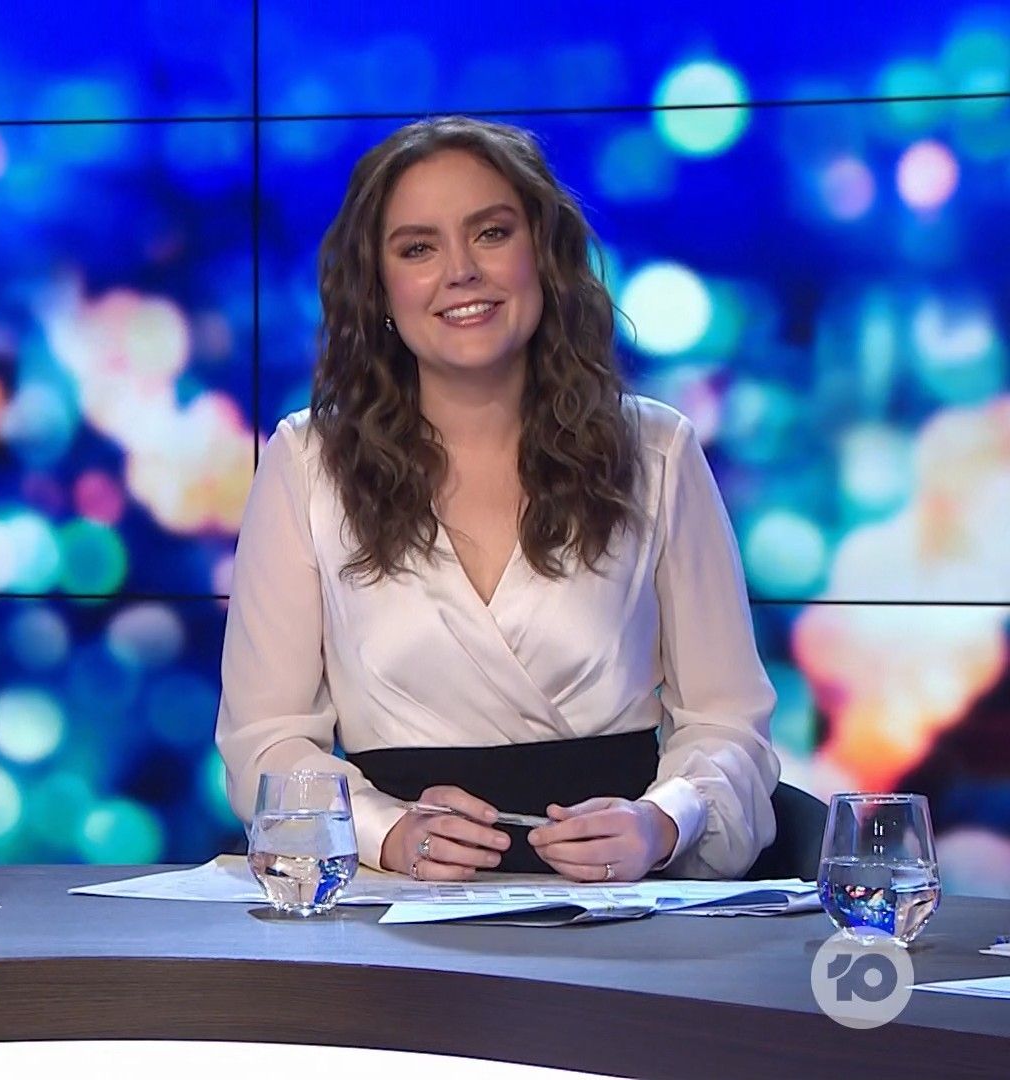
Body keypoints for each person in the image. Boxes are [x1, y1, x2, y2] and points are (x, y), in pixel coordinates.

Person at [216, 117, 778, 883]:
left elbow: (729, 724)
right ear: (379, 288)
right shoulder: (307, 464)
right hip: (397, 906)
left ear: (542, 255)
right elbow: (266, 739)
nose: (461, 272)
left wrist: (660, 823)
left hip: (618, 903)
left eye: (490, 234)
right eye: (418, 248)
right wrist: (386, 833)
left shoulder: (656, 452)